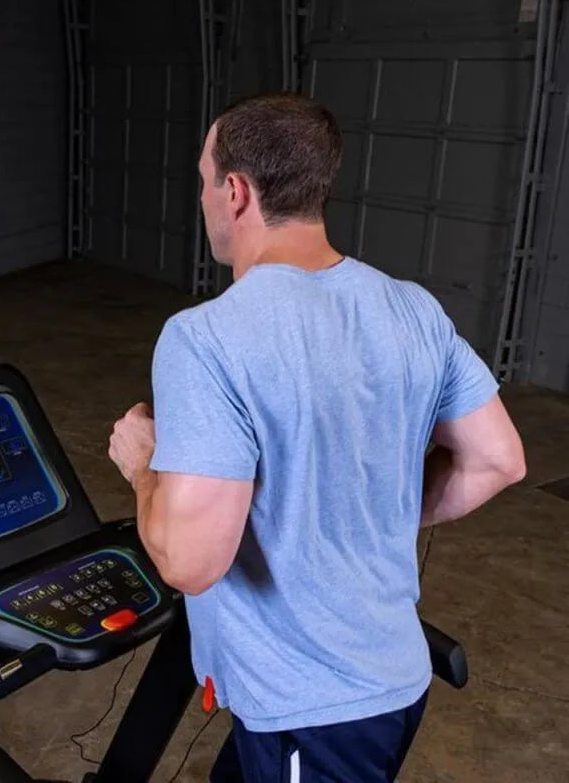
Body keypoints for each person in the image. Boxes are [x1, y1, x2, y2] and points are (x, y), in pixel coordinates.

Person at [107, 92, 526, 782]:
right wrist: (361, 514)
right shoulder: (412, 308)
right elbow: (498, 459)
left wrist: (145, 466)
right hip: (385, 679)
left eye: (205, 182)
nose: (205, 199)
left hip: (316, 710)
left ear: (235, 192)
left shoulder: (206, 339)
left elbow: (189, 560)